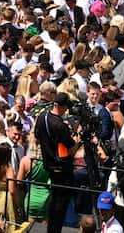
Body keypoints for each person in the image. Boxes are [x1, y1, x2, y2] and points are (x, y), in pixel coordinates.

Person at [35, 92, 78, 233]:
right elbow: (72, 149)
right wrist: (78, 136)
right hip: (61, 168)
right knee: (61, 203)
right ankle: (55, 230)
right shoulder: (60, 126)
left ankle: (51, 229)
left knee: (55, 199)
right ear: (63, 106)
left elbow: (37, 135)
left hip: (49, 164)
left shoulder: (42, 117)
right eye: (66, 107)